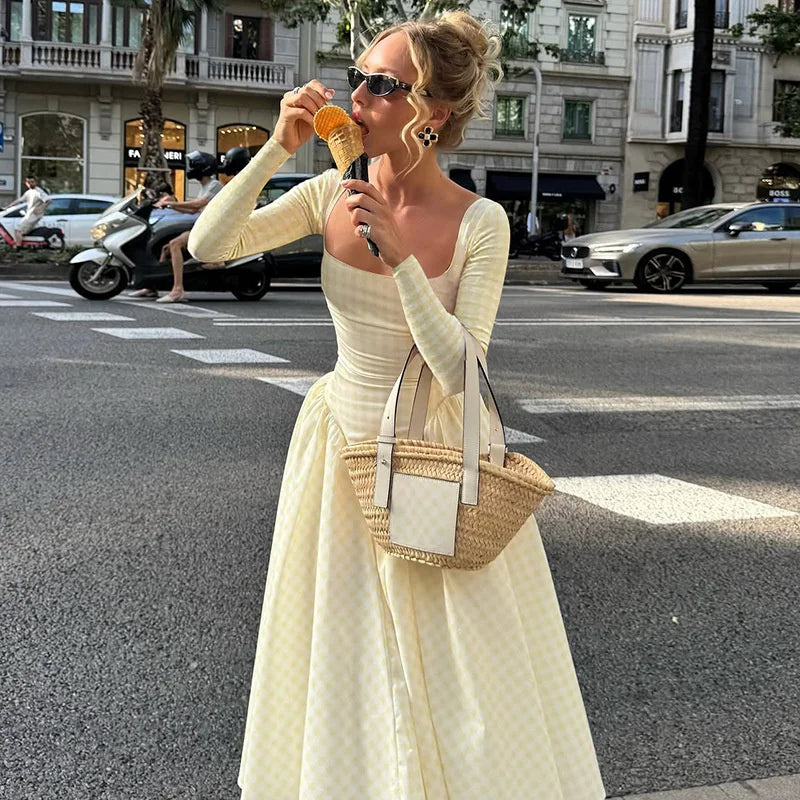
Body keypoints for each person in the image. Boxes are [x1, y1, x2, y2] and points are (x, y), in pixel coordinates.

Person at [189, 12, 605, 800]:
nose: (359, 97)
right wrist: (278, 147)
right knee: (342, 646)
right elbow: (211, 246)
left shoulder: (482, 222)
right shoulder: (328, 190)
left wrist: (406, 263)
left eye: (384, 86)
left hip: (431, 455)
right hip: (338, 441)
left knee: (453, 660)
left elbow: (462, 372)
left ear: (433, 113)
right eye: (358, 80)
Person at [148, 152, 223, 303]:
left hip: (213, 229)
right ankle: (152, 286)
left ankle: (178, 290)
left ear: (202, 168)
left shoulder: (215, 185)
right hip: (204, 227)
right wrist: (169, 205)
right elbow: (192, 210)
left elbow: (198, 204)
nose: (190, 168)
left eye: (194, 165)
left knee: (175, 244)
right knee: (167, 246)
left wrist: (171, 203)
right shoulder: (205, 186)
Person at [8, 176, 50, 247]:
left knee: (18, 230)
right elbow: (19, 200)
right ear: (26, 183)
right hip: (29, 215)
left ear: (35, 182)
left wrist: (40, 208)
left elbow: (48, 200)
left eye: (32, 182)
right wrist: (8, 207)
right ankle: (27, 247)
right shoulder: (28, 192)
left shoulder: (38, 191)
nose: (30, 183)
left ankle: (18, 248)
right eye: (28, 182)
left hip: (34, 215)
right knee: (25, 233)